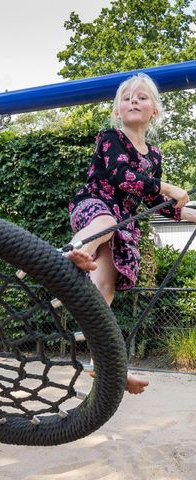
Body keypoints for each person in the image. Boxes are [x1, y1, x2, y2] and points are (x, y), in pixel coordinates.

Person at [66, 73, 196, 394]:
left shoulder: (154, 155)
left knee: (104, 289)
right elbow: (122, 176)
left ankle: (109, 367)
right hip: (96, 205)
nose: (133, 101)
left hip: (123, 226)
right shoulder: (110, 137)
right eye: (126, 98)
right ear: (117, 111)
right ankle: (71, 254)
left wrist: (190, 214)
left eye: (141, 97)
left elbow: (153, 201)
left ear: (155, 111)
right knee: (104, 220)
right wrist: (168, 186)